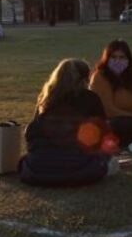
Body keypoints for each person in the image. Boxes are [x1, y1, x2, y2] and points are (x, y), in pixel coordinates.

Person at [19, 59, 117, 187]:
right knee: (110, 161)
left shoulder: (46, 98)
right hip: (78, 166)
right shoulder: (90, 98)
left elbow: (31, 133)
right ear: (85, 79)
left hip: (38, 168)